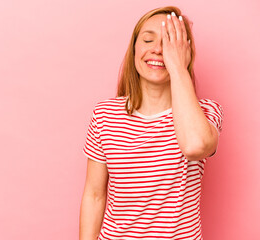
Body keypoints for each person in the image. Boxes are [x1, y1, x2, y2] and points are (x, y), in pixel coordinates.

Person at [79, 6, 223, 240]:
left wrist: (176, 65)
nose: (157, 50)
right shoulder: (104, 114)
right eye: (148, 40)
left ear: (183, 52)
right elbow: (94, 195)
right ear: (134, 48)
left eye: (169, 42)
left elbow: (195, 146)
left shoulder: (207, 112)